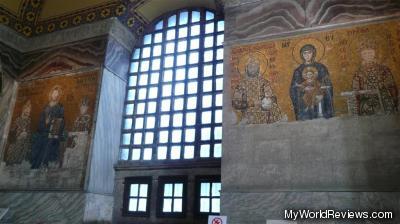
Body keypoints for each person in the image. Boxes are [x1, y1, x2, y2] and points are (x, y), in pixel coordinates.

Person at [352, 39, 398, 115]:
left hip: (384, 99)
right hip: (366, 101)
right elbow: (356, 91)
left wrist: (394, 99)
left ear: (375, 53)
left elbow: (391, 86)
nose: (368, 55)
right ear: (361, 55)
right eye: (365, 53)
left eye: (370, 52)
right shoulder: (358, 73)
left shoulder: (384, 69)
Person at [232, 57, 283, 124]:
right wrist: (251, 103)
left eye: (255, 66)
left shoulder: (264, 82)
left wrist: (268, 101)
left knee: (274, 107)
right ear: (246, 68)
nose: (253, 68)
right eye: (250, 66)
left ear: (258, 68)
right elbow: (236, 103)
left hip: (263, 110)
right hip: (248, 112)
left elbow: (272, 97)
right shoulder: (241, 85)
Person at [290, 44, 334, 120]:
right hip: (304, 98)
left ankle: (322, 114)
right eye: (305, 53)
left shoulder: (321, 68)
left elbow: (327, 84)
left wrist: (319, 89)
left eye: (309, 52)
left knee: (320, 98)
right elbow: (294, 88)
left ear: (313, 53)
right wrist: (303, 89)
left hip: (319, 95)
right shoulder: (298, 71)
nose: (307, 55)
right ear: (301, 55)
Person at [31, 85, 65, 169]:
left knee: (48, 144)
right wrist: (44, 125)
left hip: (52, 132)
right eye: (54, 93)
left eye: (57, 93)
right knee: (38, 144)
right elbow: (41, 119)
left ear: (58, 95)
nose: (55, 95)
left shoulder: (60, 107)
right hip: (42, 130)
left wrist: (55, 130)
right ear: (51, 94)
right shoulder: (46, 106)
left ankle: (44, 164)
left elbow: (60, 120)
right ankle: (35, 164)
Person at [5, 100, 32, 165]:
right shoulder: (18, 119)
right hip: (16, 139)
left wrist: (26, 133)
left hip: (24, 140)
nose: (27, 111)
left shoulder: (29, 120)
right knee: (14, 147)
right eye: (26, 109)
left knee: (25, 145)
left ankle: (18, 162)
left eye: (29, 110)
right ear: (23, 109)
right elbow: (12, 130)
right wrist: (19, 132)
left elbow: (29, 131)